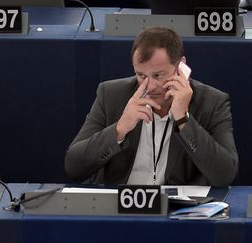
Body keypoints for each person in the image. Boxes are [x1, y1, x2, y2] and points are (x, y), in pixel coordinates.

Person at [65, 27, 238, 187]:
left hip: (177, 213)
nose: (150, 86)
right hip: (119, 207)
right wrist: (119, 130)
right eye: (141, 75)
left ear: (181, 67)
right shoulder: (111, 95)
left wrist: (184, 120)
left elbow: (225, 175)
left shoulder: (212, 102)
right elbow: (73, 167)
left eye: (158, 75)